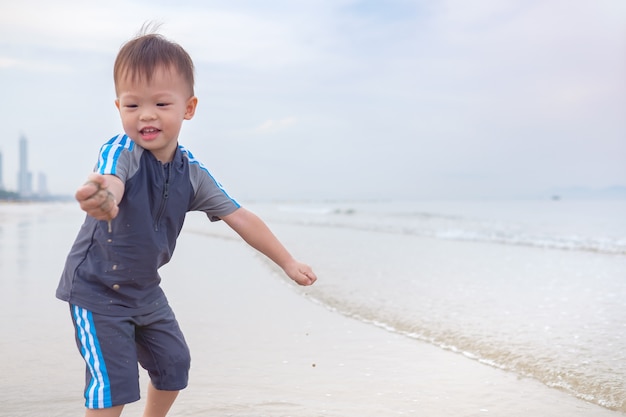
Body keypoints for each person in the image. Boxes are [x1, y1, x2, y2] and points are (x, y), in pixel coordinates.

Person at [56, 28, 317, 417]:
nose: (146, 114)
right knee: (115, 384)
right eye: (132, 106)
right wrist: (104, 198)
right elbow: (111, 179)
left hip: (145, 291)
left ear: (188, 108)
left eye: (161, 103)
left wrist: (288, 262)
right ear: (119, 108)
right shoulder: (121, 151)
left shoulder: (190, 173)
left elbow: (240, 217)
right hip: (98, 290)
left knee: (174, 365)